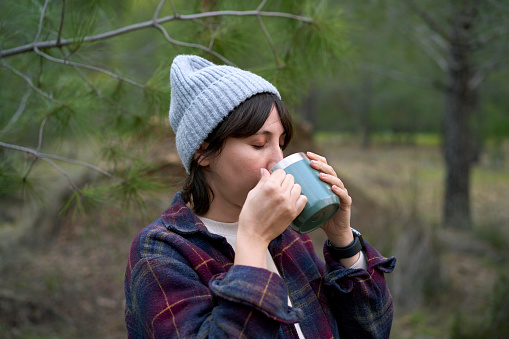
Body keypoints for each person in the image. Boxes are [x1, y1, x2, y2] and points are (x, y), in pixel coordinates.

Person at [124, 54, 396, 339]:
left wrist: (343, 242)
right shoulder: (162, 250)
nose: (277, 160)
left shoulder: (288, 234)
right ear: (202, 152)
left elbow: (372, 331)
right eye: (258, 144)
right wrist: (252, 241)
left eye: (281, 143)